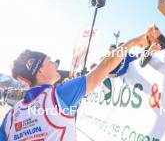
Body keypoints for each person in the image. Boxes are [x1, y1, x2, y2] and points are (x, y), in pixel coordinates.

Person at [0, 30, 155, 140]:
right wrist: (134, 42)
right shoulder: (58, 96)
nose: (55, 64)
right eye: (49, 61)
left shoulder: (10, 117)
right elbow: (106, 65)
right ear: (39, 71)